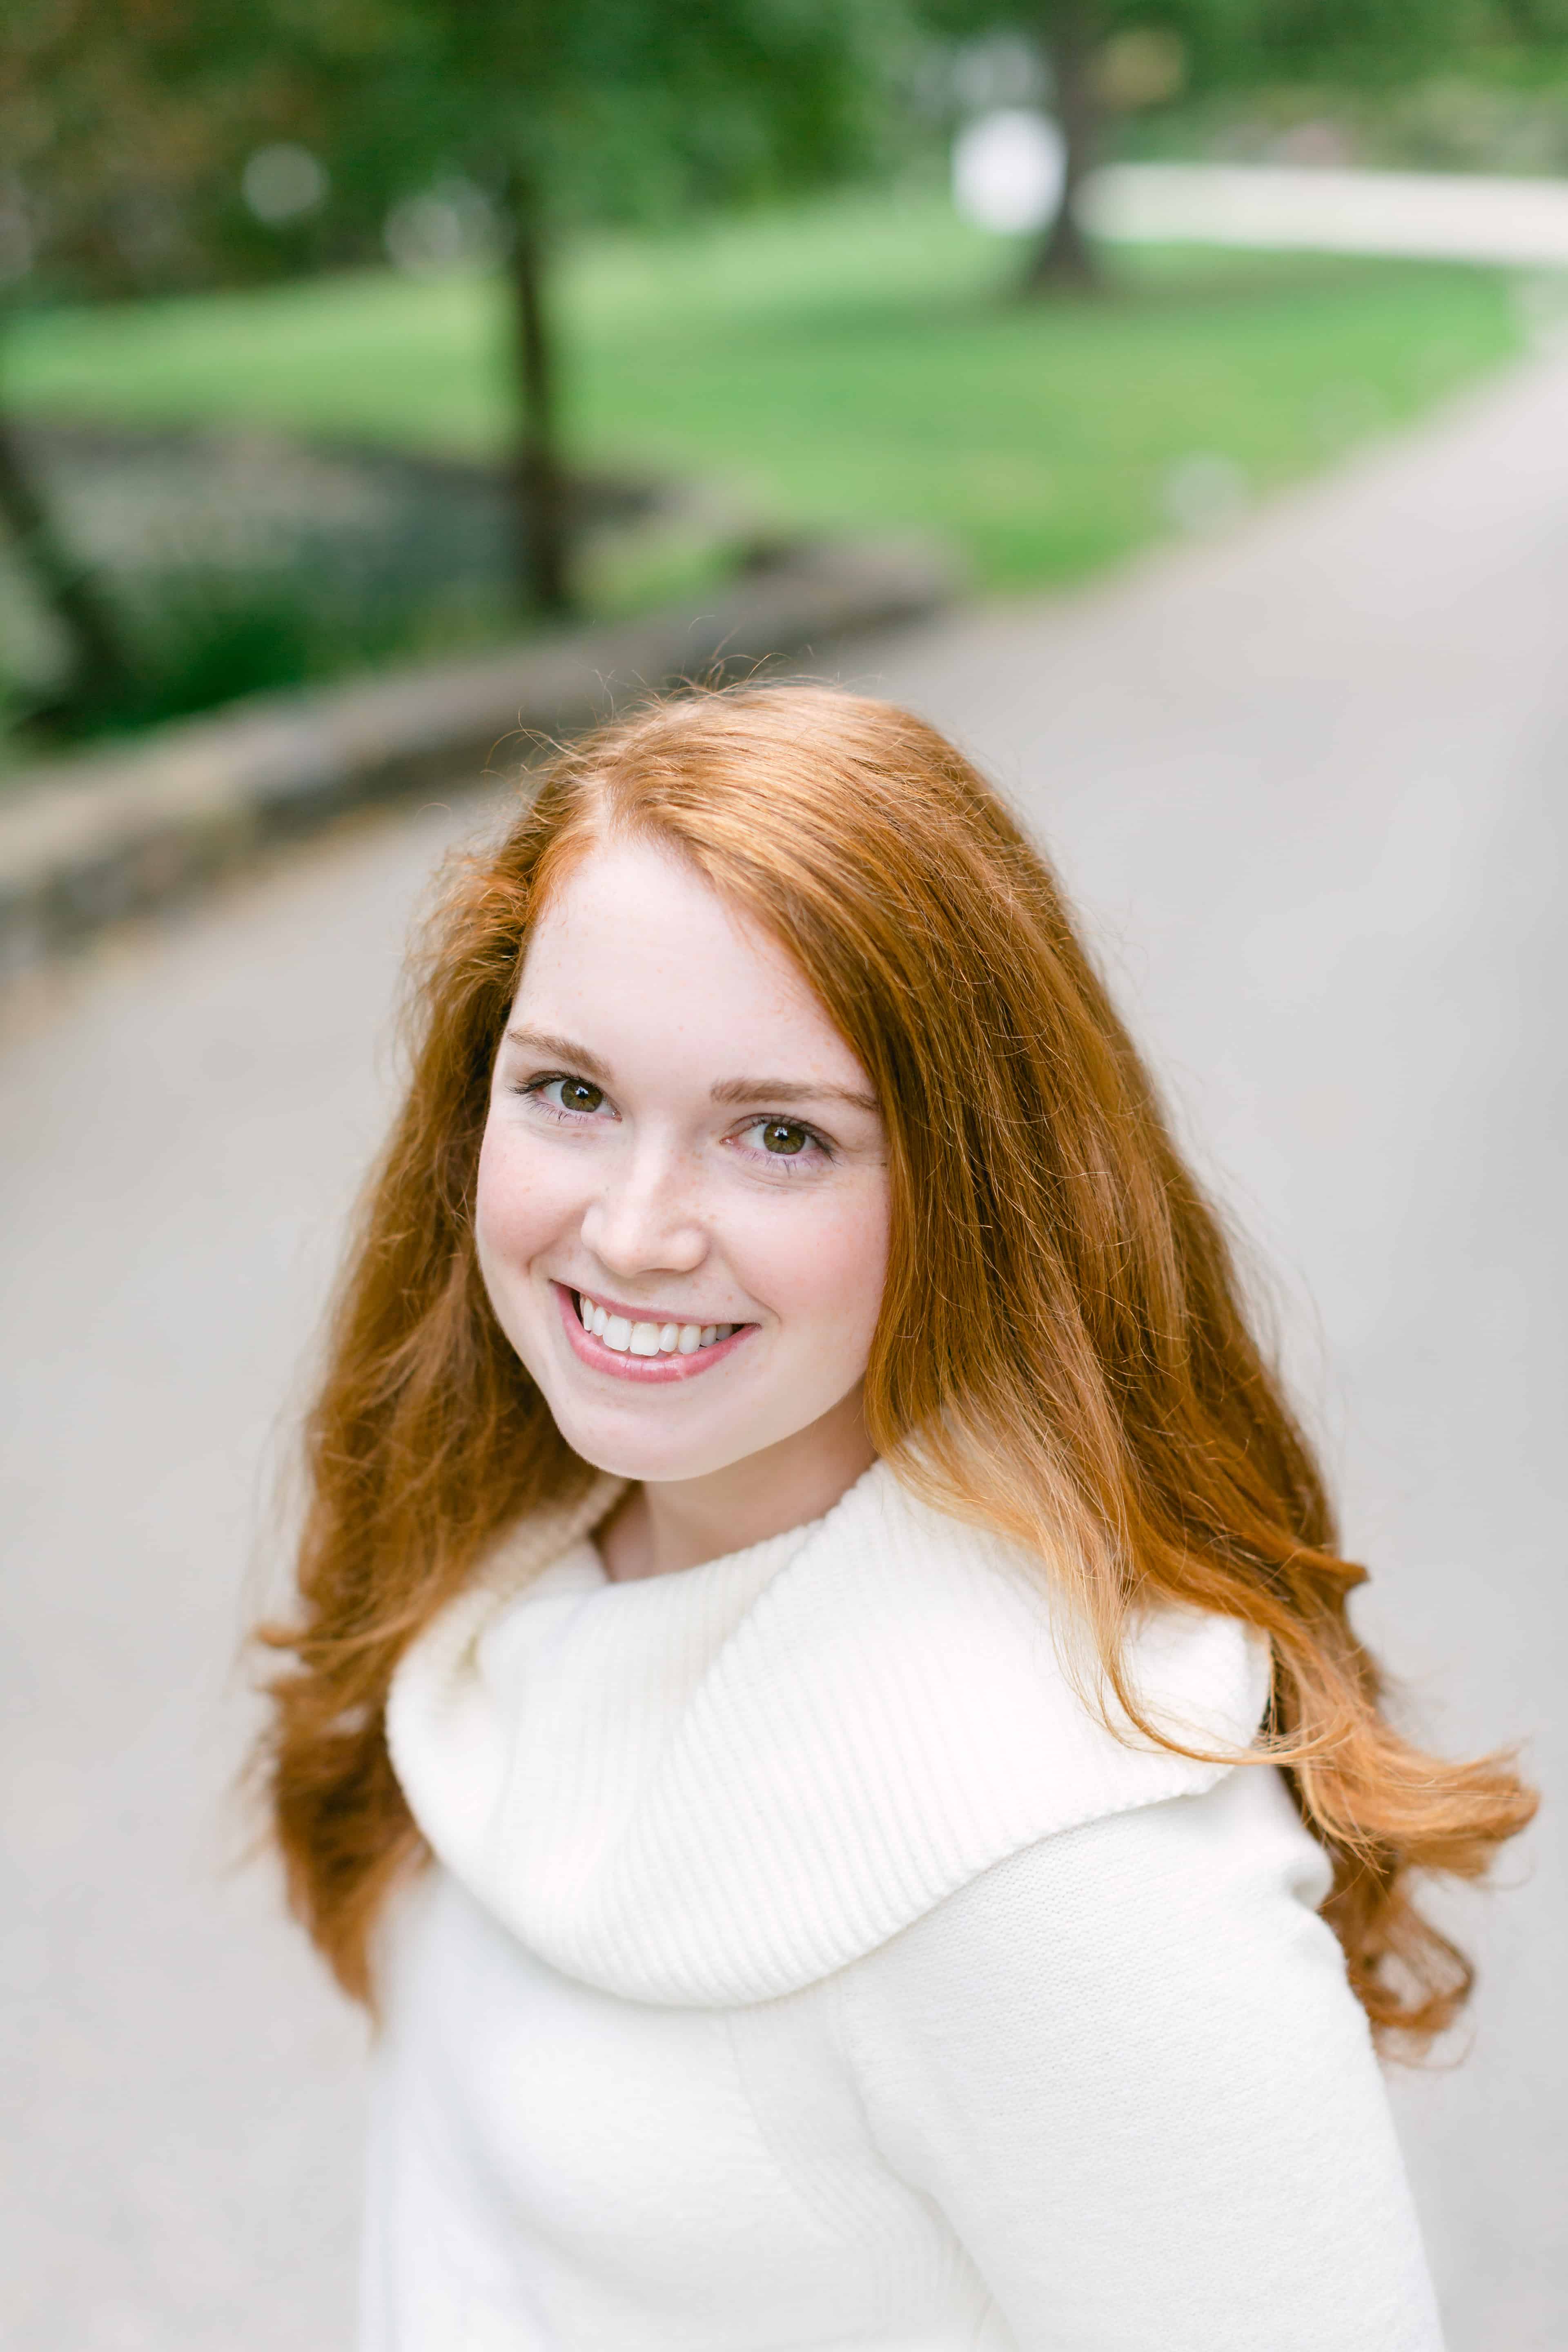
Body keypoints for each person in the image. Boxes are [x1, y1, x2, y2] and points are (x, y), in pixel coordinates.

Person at [256, 683, 1534, 2351]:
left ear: (975, 1187)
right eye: (570, 1094)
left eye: (779, 1136)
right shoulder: (510, 1574)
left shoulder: (1072, 1863)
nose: (633, 1231)